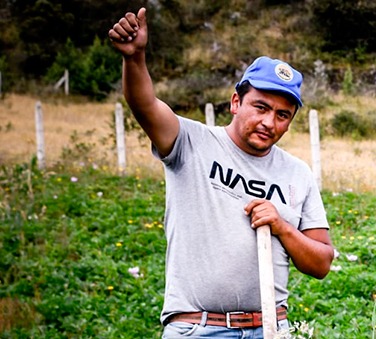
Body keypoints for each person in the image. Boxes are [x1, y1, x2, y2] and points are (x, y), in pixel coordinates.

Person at [108, 7, 334, 338]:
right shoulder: (192, 143)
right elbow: (145, 106)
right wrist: (135, 59)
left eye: (283, 115)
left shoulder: (297, 173)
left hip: (271, 327)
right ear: (235, 102)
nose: (269, 122)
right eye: (261, 107)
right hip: (198, 328)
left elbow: (321, 262)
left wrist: (282, 228)